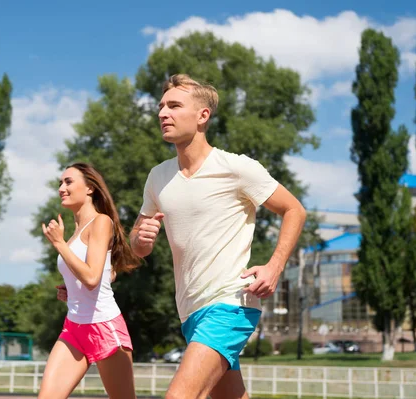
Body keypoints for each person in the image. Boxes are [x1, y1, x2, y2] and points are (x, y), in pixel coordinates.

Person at [130, 74, 307, 399]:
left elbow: (294, 209)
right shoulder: (158, 177)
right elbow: (137, 246)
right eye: (160, 106)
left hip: (230, 303)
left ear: (202, 116)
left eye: (173, 105)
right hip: (190, 310)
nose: (162, 113)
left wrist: (274, 266)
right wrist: (141, 238)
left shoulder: (237, 168)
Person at [39, 162, 141, 399]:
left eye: (68, 182)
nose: (61, 188)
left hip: (104, 325)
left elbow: (93, 278)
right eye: (60, 183)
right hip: (73, 328)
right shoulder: (75, 230)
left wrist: (59, 245)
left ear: (90, 188)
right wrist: (71, 290)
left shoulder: (100, 222)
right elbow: (102, 273)